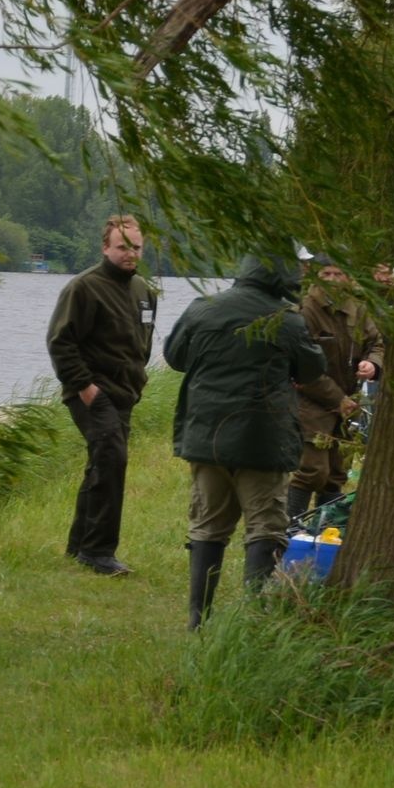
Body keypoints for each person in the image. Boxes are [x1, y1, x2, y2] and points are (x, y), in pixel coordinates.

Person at [163, 255, 326, 627]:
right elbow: (313, 369)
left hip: (207, 437)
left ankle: (197, 619)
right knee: (265, 526)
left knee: (207, 526)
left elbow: (174, 357)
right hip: (263, 441)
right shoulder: (287, 320)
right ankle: (253, 617)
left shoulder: (202, 308)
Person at [44, 215, 159, 576]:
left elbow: (143, 341)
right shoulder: (84, 288)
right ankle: (98, 552)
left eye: (136, 247)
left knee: (102, 462)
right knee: (112, 459)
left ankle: (78, 545)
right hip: (92, 391)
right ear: (105, 247)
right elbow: (60, 342)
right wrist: (86, 387)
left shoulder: (144, 291)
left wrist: (138, 380)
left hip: (126, 393)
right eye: (122, 247)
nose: (130, 253)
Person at [288, 262, 381, 532]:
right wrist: (338, 400)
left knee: (336, 473)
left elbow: (377, 342)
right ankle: (288, 530)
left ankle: (325, 532)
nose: (332, 279)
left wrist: (373, 364)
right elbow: (302, 368)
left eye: (338, 273)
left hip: (349, 403)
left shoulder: (358, 308)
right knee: (311, 470)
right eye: (326, 274)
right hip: (311, 402)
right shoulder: (305, 311)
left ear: (348, 277)